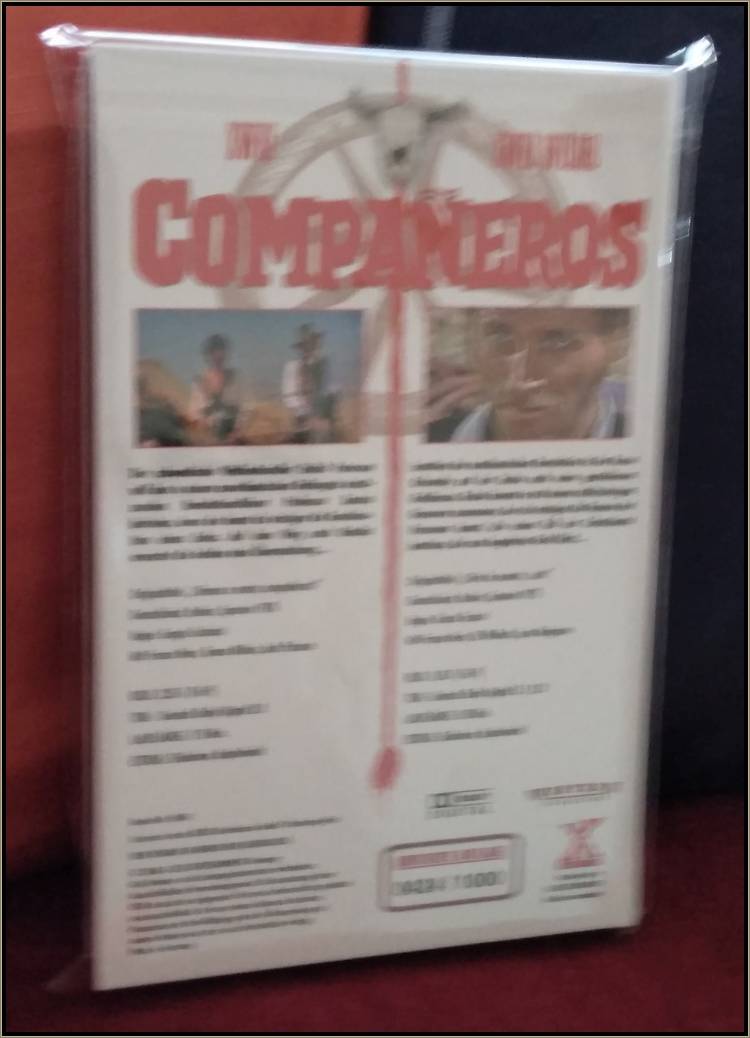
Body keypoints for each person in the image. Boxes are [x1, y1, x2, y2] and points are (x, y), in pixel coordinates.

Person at [426, 308, 628, 442]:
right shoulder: (426, 439)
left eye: (558, 341)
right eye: (500, 337)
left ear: (616, 345)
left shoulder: (641, 444)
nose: (519, 381)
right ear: (470, 340)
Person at [282, 324, 338, 443]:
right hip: (302, 420)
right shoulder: (292, 367)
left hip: (323, 418)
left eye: (312, 345)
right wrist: (306, 414)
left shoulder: (323, 365)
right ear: (301, 348)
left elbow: (330, 390)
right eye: (306, 346)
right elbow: (288, 396)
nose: (309, 349)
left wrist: (325, 415)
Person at [188, 334, 247, 443]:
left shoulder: (236, 378)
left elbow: (244, 407)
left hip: (233, 437)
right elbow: (193, 413)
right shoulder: (199, 381)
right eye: (214, 351)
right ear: (208, 354)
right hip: (208, 438)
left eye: (221, 350)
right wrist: (203, 427)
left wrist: (237, 431)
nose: (218, 355)